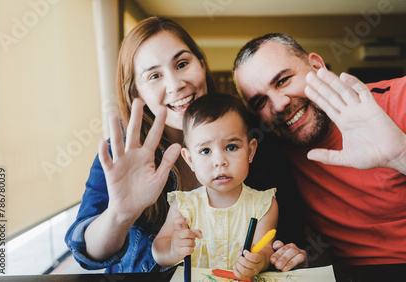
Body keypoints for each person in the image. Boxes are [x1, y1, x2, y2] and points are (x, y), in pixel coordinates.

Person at [65, 18, 306, 273]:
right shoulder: (123, 152)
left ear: (201, 64)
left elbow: (286, 242)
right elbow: (87, 254)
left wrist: (287, 256)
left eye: (182, 64)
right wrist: (120, 215)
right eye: (155, 75)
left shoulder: (256, 138)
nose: (176, 84)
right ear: (137, 92)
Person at [233, 33, 406, 265]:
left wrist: (405, 153)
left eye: (283, 80)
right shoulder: (275, 153)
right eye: (260, 101)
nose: (278, 105)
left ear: (317, 66)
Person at [153, 94, 277, 279]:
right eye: (205, 151)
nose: (219, 161)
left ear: (250, 151)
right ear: (190, 160)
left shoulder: (264, 204)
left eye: (231, 147)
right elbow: (158, 248)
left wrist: (258, 260)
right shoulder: (184, 205)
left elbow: (265, 250)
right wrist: (172, 250)